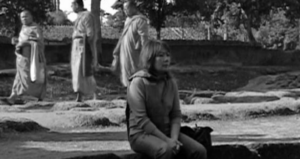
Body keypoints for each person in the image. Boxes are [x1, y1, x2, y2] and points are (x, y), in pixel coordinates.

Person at [127, 39, 207, 159]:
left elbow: (175, 114)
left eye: (167, 55)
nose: (166, 59)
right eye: (160, 55)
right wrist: (167, 141)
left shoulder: (170, 82)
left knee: (199, 151)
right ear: (150, 58)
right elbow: (141, 120)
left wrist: (173, 139)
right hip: (141, 134)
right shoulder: (138, 82)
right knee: (165, 150)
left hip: (168, 132)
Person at [3, 10, 47, 105]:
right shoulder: (23, 28)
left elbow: (39, 42)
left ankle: (35, 97)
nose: (24, 18)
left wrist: (25, 43)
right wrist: (17, 42)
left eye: (26, 16)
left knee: (32, 77)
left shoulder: (35, 28)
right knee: (19, 77)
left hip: (32, 58)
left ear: (31, 17)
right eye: (22, 17)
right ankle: (13, 96)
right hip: (22, 58)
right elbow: (22, 40)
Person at [111, 0, 149, 87]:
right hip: (125, 51)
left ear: (133, 8)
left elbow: (144, 38)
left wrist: (146, 53)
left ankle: (138, 94)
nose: (125, 11)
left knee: (136, 72)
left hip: (135, 52)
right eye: (124, 9)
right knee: (126, 72)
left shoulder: (140, 20)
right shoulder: (128, 20)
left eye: (126, 8)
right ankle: (129, 92)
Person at [71, 0, 98, 102]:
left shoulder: (87, 16)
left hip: (83, 46)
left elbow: (90, 34)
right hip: (76, 47)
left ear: (77, 5)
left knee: (83, 70)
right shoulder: (79, 16)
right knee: (76, 71)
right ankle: (79, 94)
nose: (71, 8)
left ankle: (90, 93)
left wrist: (80, 36)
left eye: (72, 5)